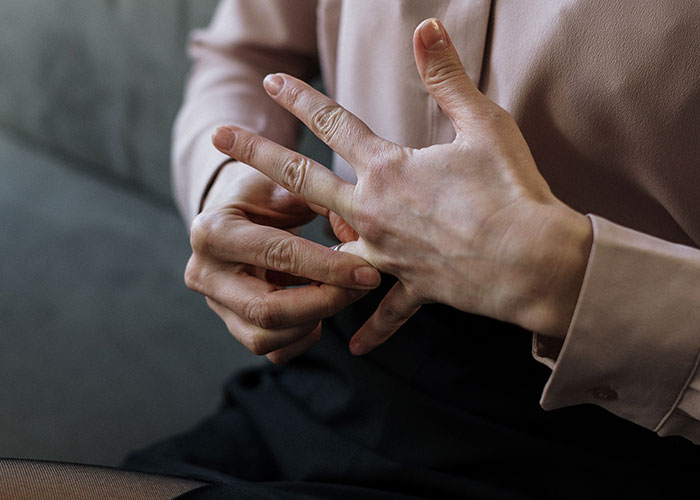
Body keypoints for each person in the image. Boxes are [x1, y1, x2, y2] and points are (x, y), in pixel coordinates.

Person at [125, 1, 700, 498]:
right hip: (352, 358)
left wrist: (559, 273)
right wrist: (227, 184)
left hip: (630, 422)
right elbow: (244, 55)